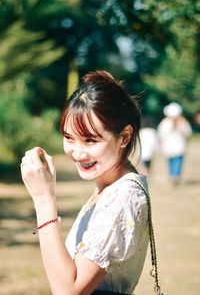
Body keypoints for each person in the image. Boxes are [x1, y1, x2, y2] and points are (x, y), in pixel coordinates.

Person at [20, 71, 149, 295]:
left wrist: (43, 199)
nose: (78, 153)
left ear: (124, 137)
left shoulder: (123, 196)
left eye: (90, 140)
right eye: (69, 137)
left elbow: (67, 291)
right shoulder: (111, 187)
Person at [157, 102, 192, 184]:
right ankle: (174, 176)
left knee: (173, 162)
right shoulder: (181, 122)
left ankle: (174, 176)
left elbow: (160, 134)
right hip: (175, 147)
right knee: (176, 162)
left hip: (174, 147)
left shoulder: (166, 122)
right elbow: (188, 133)